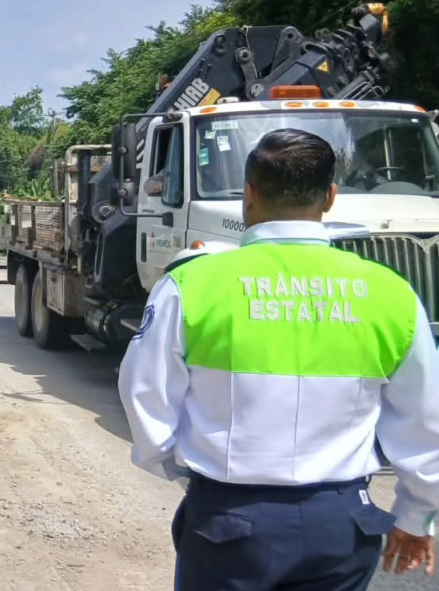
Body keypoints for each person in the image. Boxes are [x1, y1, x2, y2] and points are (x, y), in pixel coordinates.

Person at [118, 128, 439, 589]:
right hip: (341, 526)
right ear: (330, 197)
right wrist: (415, 515)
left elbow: (145, 394)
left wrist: (182, 472)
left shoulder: (192, 286)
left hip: (229, 522)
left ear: (248, 194)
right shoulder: (393, 293)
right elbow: (425, 421)